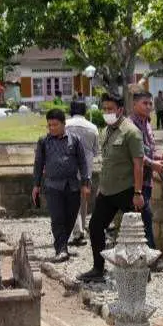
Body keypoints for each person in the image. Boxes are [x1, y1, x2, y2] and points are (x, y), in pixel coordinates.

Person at [78, 94, 145, 283]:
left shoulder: (131, 132)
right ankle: (98, 268)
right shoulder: (106, 131)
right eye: (104, 108)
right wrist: (101, 187)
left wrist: (138, 193)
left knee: (135, 232)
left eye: (110, 109)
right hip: (107, 191)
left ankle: (140, 270)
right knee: (95, 227)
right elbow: (106, 163)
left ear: (120, 110)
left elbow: (138, 164)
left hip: (126, 190)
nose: (107, 112)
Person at [32, 109, 91, 263]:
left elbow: (83, 163)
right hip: (52, 186)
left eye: (55, 125)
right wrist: (36, 185)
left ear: (64, 124)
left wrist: (85, 183)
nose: (52, 128)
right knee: (57, 218)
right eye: (49, 125)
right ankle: (61, 249)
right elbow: (38, 164)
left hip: (72, 185)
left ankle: (62, 246)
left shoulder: (75, 140)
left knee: (70, 218)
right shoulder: (43, 142)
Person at [129, 89, 163, 268]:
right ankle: (151, 259)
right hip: (133, 180)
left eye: (150, 103)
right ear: (134, 104)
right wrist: (153, 164)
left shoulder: (147, 124)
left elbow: (148, 151)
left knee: (142, 218)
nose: (149, 106)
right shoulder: (131, 126)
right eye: (144, 103)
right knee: (144, 217)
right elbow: (135, 155)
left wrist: (160, 159)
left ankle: (142, 258)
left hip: (146, 179)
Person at [64, 100, 101, 246]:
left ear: (71, 110)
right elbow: (95, 150)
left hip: (69, 168)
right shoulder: (93, 127)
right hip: (87, 169)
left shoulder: (65, 125)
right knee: (83, 201)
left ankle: (78, 231)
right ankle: (81, 229)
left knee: (71, 201)